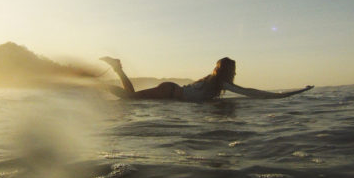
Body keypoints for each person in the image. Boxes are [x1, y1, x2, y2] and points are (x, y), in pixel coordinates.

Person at [99, 56, 313, 102]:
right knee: (131, 99)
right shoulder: (221, 83)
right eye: (233, 69)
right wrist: (288, 94)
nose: (235, 72)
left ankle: (117, 70)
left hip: (171, 91)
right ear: (228, 70)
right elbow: (251, 93)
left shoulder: (211, 80)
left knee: (131, 98)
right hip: (171, 92)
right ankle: (101, 81)